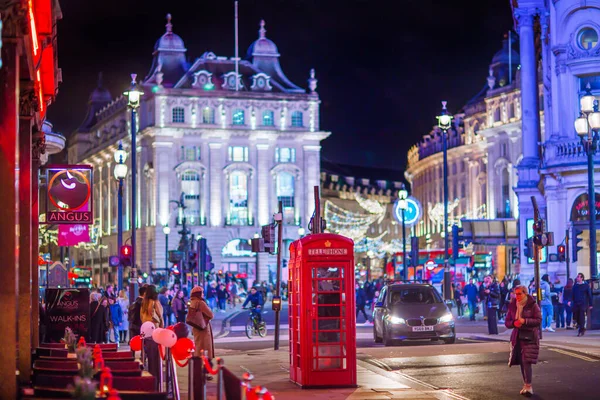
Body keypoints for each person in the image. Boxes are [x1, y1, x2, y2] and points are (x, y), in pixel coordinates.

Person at [505, 285, 542, 397]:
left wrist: (525, 321)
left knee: (526, 361)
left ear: (525, 293)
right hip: (517, 336)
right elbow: (507, 322)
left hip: (529, 336)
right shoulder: (513, 306)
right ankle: (526, 385)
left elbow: (538, 320)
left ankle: (529, 385)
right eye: (516, 294)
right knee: (521, 361)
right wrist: (514, 323)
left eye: (520, 294)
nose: (517, 296)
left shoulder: (532, 305)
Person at [189, 286, 215, 359]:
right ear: (198, 294)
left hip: (196, 327)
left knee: (198, 345)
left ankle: (198, 361)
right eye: (202, 293)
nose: (203, 294)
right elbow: (211, 315)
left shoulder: (192, 302)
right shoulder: (201, 303)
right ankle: (206, 364)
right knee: (205, 347)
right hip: (203, 328)